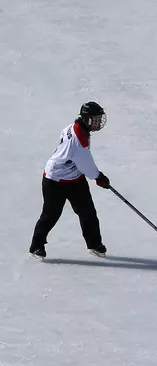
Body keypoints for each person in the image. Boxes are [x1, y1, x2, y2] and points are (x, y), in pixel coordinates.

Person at [29, 102, 111, 259]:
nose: (98, 122)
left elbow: (81, 162)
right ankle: (36, 247)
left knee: (87, 212)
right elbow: (86, 165)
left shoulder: (75, 128)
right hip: (55, 180)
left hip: (75, 178)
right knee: (51, 215)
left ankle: (94, 244)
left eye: (99, 119)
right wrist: (99, 178)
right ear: (85, 119)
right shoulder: (79, 141)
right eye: (94, 119)